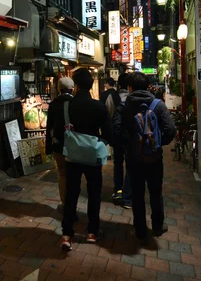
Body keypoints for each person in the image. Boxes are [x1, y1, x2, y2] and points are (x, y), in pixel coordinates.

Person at [120, 72, 176, 243]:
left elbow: (118, 131)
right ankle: (157, 226)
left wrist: (129, 147)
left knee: (137, 194)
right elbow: (170, 130)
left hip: (134, 159)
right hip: (154, 158)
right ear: (147, 86)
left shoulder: (125, 106)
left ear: (130, 88)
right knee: (155, 192)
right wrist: (158, 145)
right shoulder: (158, 105)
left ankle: (140, 229)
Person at [61, 68, 112, 250]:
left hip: (73, 156)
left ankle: (67, 234)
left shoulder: (68, 105)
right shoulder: (99, 106)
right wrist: (100, 142)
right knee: (94, 193)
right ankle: (92, 231)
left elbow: (61, 131)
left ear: (75, 85)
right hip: (92, 156)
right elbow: (108, 132)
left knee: (71, 193)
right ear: (91, 85)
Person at [45, 77, 75, 209]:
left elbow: (49, 126)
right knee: (74, 174)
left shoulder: (53, 104)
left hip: (58, 143)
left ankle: (64, 204)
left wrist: (48, 147)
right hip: (74, 144)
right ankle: (73, 203)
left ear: (59, 89)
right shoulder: (76, 103)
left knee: (62, 173)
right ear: (73, 89)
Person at [111, 73, 132, 209]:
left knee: (118, 164)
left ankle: (118, 190)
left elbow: (108, 115)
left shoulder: (112, 97)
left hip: (118, 138)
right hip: (131, 139)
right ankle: (128, 195)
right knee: (130, 166)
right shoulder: (134, 98)